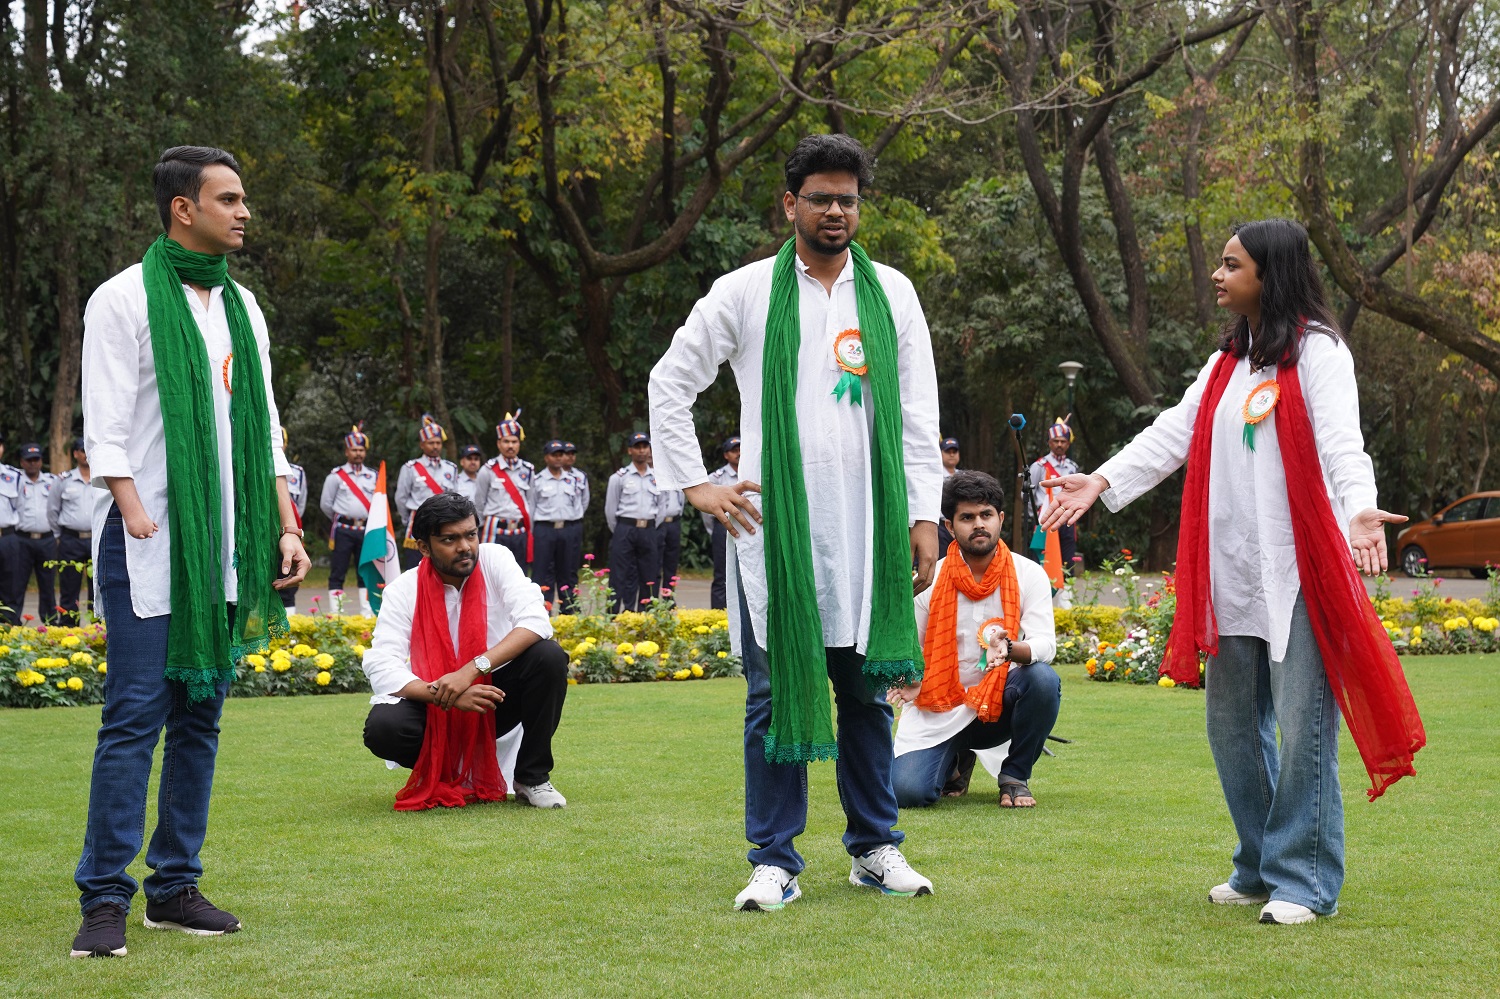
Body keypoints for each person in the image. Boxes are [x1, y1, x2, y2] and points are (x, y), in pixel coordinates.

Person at [1040, 219, 1423, 925]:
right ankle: (1258, 863)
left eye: (1231, 265)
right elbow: (1173, 433)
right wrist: (1100, 479)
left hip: (1300, 570)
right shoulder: (1227, 360)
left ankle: (1304, 880)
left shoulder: (1319, 352)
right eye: (1220, 263)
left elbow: (1342, 444)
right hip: (1231, 573)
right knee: (1232, 729)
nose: (1217, 276)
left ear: (1270, 275)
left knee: (1303, 729)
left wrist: (1360, 508)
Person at [649, 133, 943, 910]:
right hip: (772, 532)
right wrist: (696, 483)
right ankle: (774, 859)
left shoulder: (893, 294)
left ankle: (874, 847)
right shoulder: (745, 291)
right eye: (820, 198)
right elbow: (670, 380)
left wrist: (923, 514)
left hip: (869, 529)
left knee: (867, 693)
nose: (836, 210)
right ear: (791, 204)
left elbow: (919, 413)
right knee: (772, 696)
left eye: (848, 198)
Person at [71, 145, 311, 958]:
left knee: (200, 715)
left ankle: (174, 886)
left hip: (223, 544)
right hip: (146, 540)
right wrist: (132, 507)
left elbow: (266, 426)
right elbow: (107, 423)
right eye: (229, 199)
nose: (244, 212)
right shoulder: (124, 298)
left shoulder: (242, 307)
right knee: (134, 717)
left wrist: (286, 525)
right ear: (184, 208)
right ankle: (105, 896)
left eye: (243, 199)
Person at [359, 492, 570, 810]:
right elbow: (382, 664)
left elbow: (536, 621)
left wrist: (471, 671)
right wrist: (446, 694)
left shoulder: (495, 559)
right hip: (436, 702)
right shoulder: (403, 589)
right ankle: (446, 770)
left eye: (470, 535)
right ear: (424, 547)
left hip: (494, 699)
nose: (465, 547)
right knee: (384, 728)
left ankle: (532, 777)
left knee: (549, 656)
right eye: (450, 539)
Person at [889, 471, 1060, 809]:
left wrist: (1009, 649)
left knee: (1042, 679)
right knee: (907, 793)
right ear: (950, 526)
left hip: (997, 706)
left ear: (1001, 519)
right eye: (967, 517)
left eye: (986, 515)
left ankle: (1014, 776)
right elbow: (911, 647)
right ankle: (955, 763)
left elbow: (1046, 645)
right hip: (940, 708)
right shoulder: (930, 579)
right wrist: (911, 677)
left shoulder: (1028, 574)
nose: (979, 524)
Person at [319, 424, 379, 614]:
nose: (358, 453)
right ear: (346, 451)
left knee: (366, 572)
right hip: (343, 530)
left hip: (366, 531)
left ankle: (367, 614)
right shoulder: (336, 476)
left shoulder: (373, 476)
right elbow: (326, 504)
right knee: (338, 572)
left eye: (361, 450)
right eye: (354, 450)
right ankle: (337, 615)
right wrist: (343, 519)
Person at [604, 432, 662, 613]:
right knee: (618, 573)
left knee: (649, 574)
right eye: (637, 447)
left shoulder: (658, 477)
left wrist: (651, 526)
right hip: (625, 528)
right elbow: (610, 509)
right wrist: (620, 529)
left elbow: (662, 507)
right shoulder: (619, 477)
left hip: (648, 529)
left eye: (645, 446)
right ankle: (612, 615)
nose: (642, 450)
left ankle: (645, 614)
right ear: (630, 450)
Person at [531, 439, 588, 613]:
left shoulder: (575, 479)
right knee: (542, 573)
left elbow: (583, 503)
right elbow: (532, 505)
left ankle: (568, 613)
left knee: (568, 572)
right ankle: (542, 613)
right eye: (554, 455)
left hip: (569, 529)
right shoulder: (537, 480)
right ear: (546, 457)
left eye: (561, 454)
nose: (558, 458)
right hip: (545, 529)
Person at [394, 414, 458, 571]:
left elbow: (455, 498)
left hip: (444, 522)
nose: (435, 446)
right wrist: (408, 520)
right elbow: (401, 498)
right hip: (418, 522)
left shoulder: (451, 468)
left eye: (438, 442)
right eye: (431, 443)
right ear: (422, 445)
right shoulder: (410, 468)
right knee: (415, 568)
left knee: (443, 567)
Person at [473, 411, 533, 570]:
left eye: (514, 441)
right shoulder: (488, 470)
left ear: (519, 443)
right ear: (499, 443)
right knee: (491, 571)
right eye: (506, 441)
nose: (510, 446)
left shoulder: (528, 470)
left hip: (520, 530)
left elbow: (531, 501)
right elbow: (479, 503)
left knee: (519, 573)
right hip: (494, 530)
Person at [49, 439, 100, 625]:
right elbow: (52, 510)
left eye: (88, 449)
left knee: (98, 587)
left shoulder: (102, 478)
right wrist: (59, 536)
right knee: (69, 588)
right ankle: (68, 629)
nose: (85, 454)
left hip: (96, 539)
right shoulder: (63, 480)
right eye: (82, 450)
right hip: (71, 540)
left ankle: (97, 630)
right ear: (75, 454)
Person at [10, 443, 59, 623]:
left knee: (48, 585)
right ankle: (12, 624)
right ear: (22, 462)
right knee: (16, 584)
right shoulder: (14, 480)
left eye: (36, 459)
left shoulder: (53, 481)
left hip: (47, 540)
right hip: (21, 539)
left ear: (41, 461)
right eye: (29, 460)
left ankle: (50, 623)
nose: (32, 463)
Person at [1028, 418, 1080, 575]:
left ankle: (1067, 589)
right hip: (1046, 517)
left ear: (1068, 444)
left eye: (1063, 441)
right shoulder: (1039, 466)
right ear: (1049, 443)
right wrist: (1035, 516)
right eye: (1056, 441)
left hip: (1067, 517)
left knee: (1067, 559)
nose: (1059, 444)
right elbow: (1028, 493)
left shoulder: (1073, 467)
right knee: (1043, 560)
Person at [698, 436, 740, 610]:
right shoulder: (716, 478)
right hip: (723, 527)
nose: (739, 453)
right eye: (734, 450)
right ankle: (718, 614)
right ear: (726, 455)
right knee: (722, 573)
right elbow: (706, 510)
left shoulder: (752, 473)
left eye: (740, 449)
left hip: (749, 527)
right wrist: (716, 529)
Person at [280, 430, 309, 610]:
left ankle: (290, 622)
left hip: (288, 531)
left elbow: (301, 504)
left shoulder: (297, 472)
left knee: (289, 580)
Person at [0, 435, 21, 624]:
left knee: (10, 584)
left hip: (7, 537)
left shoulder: (14, 476)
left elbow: (21, 506)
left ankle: (9, 628)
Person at [658, 481, 686, 596]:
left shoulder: (677, 478)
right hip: (658, 523)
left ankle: (668, 598)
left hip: (674, 522)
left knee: (672, 563)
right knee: (655, 562)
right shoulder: (653, 477)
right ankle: (652, 598)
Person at [937, 436, 960, 553]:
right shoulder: (935, 477)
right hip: (940, 527)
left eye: (954, 451)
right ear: (940, 453)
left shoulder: (964, 476)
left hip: (960, 525)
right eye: (947, 451)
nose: (951, 455)